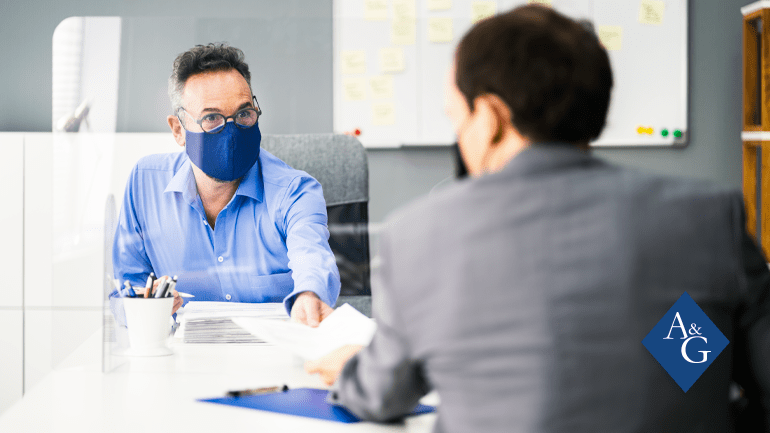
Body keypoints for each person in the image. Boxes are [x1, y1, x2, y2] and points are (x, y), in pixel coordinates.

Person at [305, 5, 770, 431]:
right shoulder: (708, 219)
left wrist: (352, 368)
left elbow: (381, 394)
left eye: (458, 119)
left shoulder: (422, 235)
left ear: (489, 118)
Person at [112, 43, 340, 326]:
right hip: (180, 359)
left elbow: (312, 256)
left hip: (273, 359)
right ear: (178, 130)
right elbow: (126, 291)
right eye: (211, 118)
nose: (231, 131)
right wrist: (143, 308)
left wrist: (309, 294)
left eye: (244, 114)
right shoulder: (145, 183)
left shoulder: (295, 192)